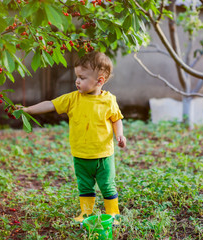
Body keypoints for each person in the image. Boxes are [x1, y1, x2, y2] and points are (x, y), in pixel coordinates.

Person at [19, 51, 126, 223]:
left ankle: (113, 213)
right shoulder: (72, 99)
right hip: (80, 154)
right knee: (84, 185)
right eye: (77, 76)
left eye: (82, 78)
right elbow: (50, 104)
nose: (77, 81)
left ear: (100, 81)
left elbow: (116, 119)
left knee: (107, 185)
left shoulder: (109, 100)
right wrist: (28, 109)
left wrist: (119, 135)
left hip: (103, 155)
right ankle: (86, 213)